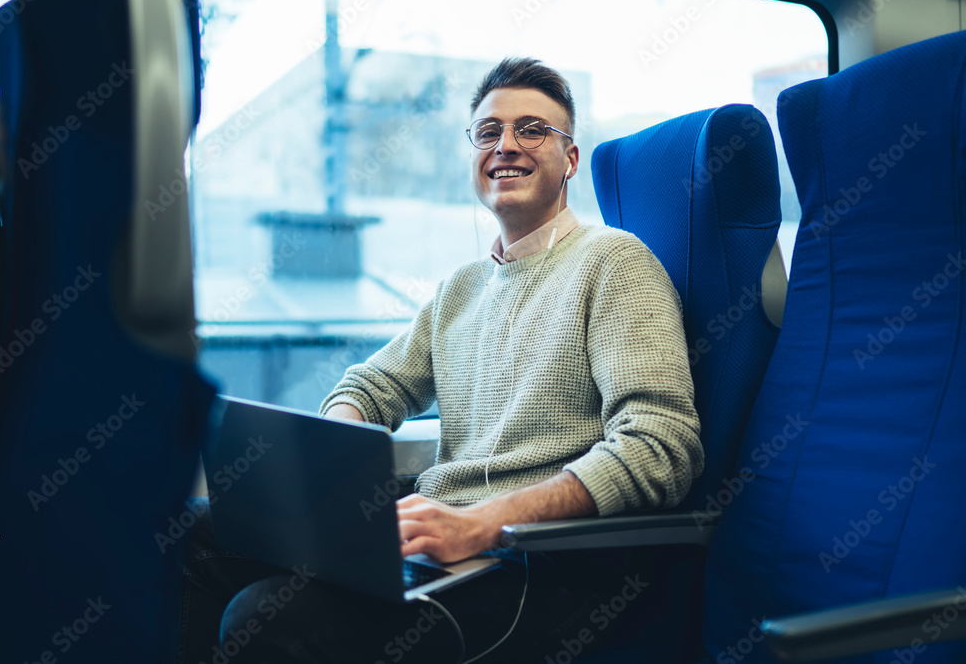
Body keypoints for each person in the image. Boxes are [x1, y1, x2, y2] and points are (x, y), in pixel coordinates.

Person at [179, 57, 702, 664]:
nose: (506, 145)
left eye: (532, 129)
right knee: (187, 537)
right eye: (488, 131)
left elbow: (661, 447)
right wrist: (331, 479)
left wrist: (484, 522)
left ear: (571, 159)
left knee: (264, 616)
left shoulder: (616, 262)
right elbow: (371, 386)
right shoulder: (463, 287)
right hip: (446, 539)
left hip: (540, 565)